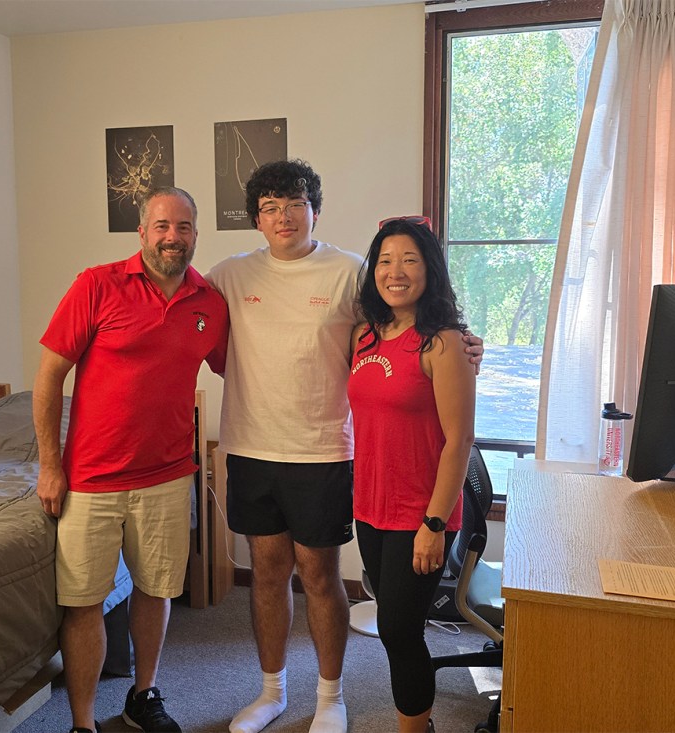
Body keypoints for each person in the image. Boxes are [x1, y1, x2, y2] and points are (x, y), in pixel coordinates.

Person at [205, 159, 483, 733]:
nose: (283, 216)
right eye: (270, 207)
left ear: (315, 210)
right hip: (252, 447)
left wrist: (466, 347)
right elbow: (197, 334)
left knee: (320, 576)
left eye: (295, 203)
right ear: (256, 218)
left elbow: (404, 325)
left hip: (324, 450)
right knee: (265, 572)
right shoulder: (229, 275)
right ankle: (270, 691)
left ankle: (331, 697)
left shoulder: (350, 272)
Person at [33, 186, 228, 733]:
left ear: (195, 234)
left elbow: (250, 361)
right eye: (163, 226)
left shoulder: (208, 303)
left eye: (184, 227)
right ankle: (83, 722)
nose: (173, 237)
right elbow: (50, 377)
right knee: (83, 601)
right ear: (141, 231)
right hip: (92, 479)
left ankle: (143, 695)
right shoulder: (96, 285)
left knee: (157, 588)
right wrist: (52, 465)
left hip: (168, 475)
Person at [348, 217, 476, 733]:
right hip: (370, 506)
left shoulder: (443, 343)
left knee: (400, 631)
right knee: (390, 621)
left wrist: (435, 522)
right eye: (384, 261)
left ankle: (414, 727)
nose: (395, 272)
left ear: (430, 270)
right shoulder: (363, 335)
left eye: (409, 260)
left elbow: (459, 440)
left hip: (420, 513)